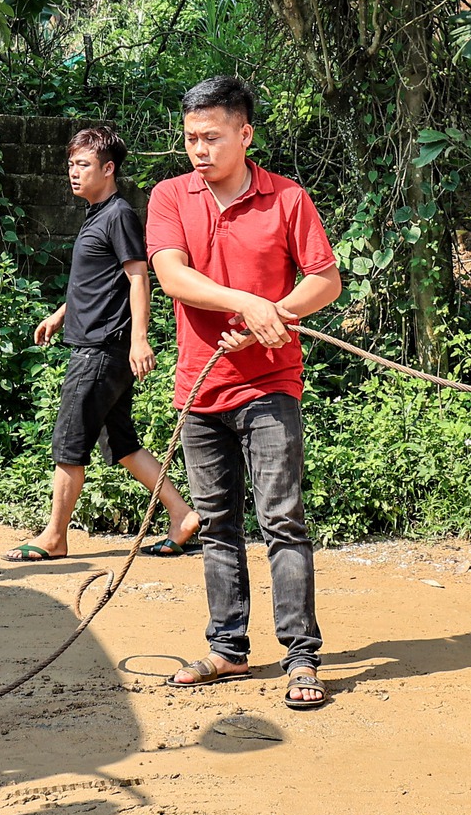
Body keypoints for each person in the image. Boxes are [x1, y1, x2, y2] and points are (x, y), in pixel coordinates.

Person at [145, 77, 345, 710]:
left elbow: (326, 281)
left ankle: (301, 658)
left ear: (245, 135)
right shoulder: (170, 196)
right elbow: (172, 276)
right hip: (200, 389)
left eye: (212, 137)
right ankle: (228, 648)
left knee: (282, 518)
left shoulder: (287, 198)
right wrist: (251, 305)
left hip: (270, 384)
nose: (199, 150)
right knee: (217, 524)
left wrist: (279, 314)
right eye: (190, 139)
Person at [7, 126, 203, 564]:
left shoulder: (117, 215)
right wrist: (61, 314)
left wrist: (139, 339)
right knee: (122, 444)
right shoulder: (97, 214)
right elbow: (97, 282)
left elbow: (138, 277)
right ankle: (182, 514)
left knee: (69, 441)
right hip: (100, 345)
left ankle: (54, 536)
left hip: (101, 350)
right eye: (71, 165)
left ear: (108, 168)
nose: (73, 173)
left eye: (84, 165)